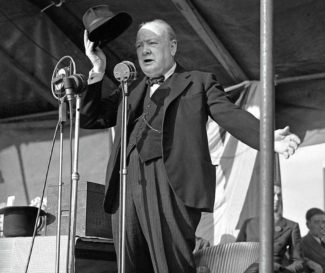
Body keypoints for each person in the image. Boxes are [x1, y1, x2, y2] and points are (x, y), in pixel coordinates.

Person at [81, 19, 301, 273]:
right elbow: (92, 117)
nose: (144, 50)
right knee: (130, 265)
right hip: (126, 185)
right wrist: (97, 70)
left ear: (172, 47)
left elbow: (230, 114)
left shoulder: (198, 81)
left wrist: (267, 138)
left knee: (170, 265)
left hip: (170, 183)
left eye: (152, 43)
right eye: (139, 45)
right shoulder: (129, 89)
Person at [237, 184, 305, 273]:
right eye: (272, 194)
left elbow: (298, 261)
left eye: (279, 195)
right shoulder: (249, 224)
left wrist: (283, 270)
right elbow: (236, 254)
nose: (277, 199)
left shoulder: (291, 226)